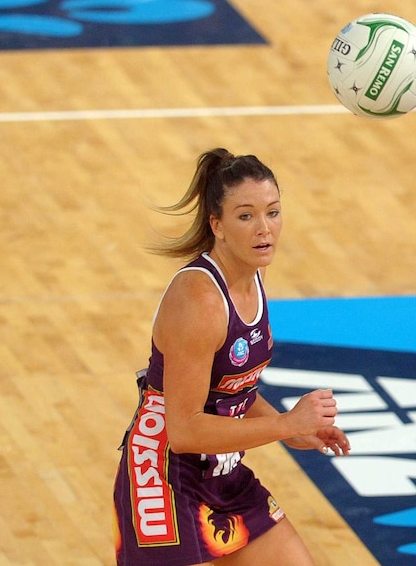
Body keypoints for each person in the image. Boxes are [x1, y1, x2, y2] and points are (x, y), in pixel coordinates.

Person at [113, 148, 350, 566]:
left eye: (273, 212)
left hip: (221, 474)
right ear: (217, 225)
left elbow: (229, 390)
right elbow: (185, 430)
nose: (265, 229)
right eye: (246, 216)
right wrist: (284, 424)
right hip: (164, 477)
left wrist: (293, 430)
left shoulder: (251, 276)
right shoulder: (200, 302)